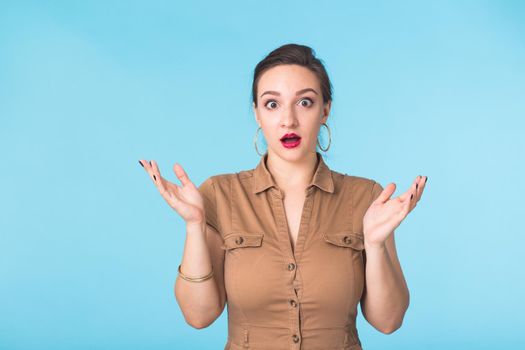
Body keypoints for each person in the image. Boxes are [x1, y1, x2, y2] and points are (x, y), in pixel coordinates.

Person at [139, 43, 427, 350]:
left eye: (304, 102)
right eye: (272, 104)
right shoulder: (220, 194)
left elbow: (388, 322)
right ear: (257, 115)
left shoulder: (365, 197)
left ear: (325, 109)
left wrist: (375, 245)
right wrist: (194, 226)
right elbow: (199, 316)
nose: (288, 120)